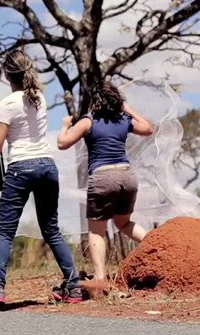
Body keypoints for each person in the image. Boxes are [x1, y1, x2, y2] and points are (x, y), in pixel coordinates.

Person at [0, 49, 81, 310]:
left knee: (5, 231)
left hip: (21, 168)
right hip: (47, 166)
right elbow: (21, 115)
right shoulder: (39, 98)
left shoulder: (9, 105)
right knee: (52, 229)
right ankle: (73, 286)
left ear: (6, 74)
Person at [57, 81, 154, 280]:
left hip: (103, 177)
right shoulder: (123, 121)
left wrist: (64, 126)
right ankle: (156, 246)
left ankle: (100, 279)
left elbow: (62, 143)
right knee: (123, 223)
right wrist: (128, 110)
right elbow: (148, 129)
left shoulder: (88, 121)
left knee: (96, 232)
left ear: (96, 102)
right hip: (127, 177)